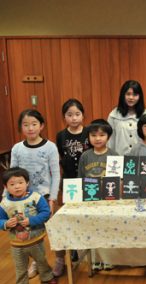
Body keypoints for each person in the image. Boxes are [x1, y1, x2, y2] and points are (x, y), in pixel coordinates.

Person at [10, 109, 61, 279]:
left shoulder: (50, 147)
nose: (30, 128)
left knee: (46, 233)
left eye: (34, 124)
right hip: (21, 199)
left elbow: (55, 174)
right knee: (27, 234)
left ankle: (52, 263)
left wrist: (52, 198)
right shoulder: (17, 148)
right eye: (26, 125)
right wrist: (6, 198)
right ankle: (38, 264)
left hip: (43, 197)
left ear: (41, 126)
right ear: (21, 127)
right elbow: (10, 175)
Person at [0, 167, 57, 284]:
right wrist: (5, 223)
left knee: (41, 260)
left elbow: (46, 213)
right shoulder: (4, 203)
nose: (17, 186)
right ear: (6, 187)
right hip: (16, 243)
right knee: (20, 267)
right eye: (12, 184)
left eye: (20, 182)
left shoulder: (36, 197)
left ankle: (47, 277)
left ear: (27, 183)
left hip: (36, 239)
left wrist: (32, 220)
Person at [54, 99, 90, 276]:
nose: (74, 118)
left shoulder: (89, 132)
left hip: (87, 180)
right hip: (69, 181)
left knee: (86, 214)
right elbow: (61, 156)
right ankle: (73, 247)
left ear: (83, 115)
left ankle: (87, 245)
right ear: (64, 117)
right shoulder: (61, 135)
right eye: (69, 115)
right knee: (71, 215)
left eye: (77, 114)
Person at [77, 119, 117, 271]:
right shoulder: (85, 156)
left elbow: (119, 179)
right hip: (90, 199)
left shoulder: (114, 155)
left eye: (102, 135)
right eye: (93, 135)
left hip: (109, 199)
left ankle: (109, 259)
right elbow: (80, 177)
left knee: (108, 229)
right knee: (92, 229)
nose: (98, 138)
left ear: (108, 137)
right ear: (88, 137)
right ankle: (94, 260)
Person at [107, 80, 146, 155]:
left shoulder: (145, 115)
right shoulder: (114, 115)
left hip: (140, 159)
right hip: (119, 160)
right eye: (128, 94)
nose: (131, 97)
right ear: (123, 95)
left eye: (135, 94)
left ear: (140, 96)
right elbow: (110, 141)